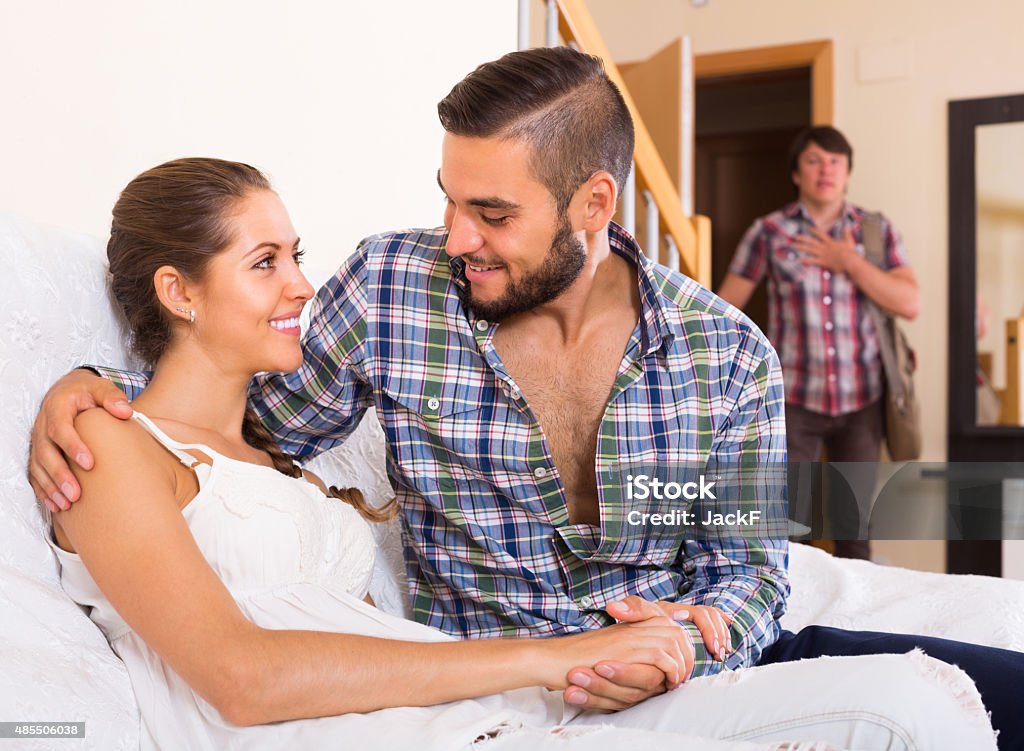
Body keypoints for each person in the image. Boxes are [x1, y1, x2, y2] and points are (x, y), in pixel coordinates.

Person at [29, 49, 1014, 748]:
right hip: (482, 692)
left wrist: (679, 654)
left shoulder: (727, 354)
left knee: (972, 695)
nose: (455, 235)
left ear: (592, 206)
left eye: (491, 213)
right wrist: (95, 390)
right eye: (448, 198)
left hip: (666, 672)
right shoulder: (388, 291)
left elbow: (746, 571)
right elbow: (244, 425)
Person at [717, 126, 920, 560]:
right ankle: (791, 618)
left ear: (847, 174)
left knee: (854, 528)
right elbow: (724, 309)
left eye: (835, 161)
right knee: (789, 526)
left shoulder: (875, 231)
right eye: (813, 160)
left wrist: (848, 261)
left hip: (862, 399)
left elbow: (910, 302)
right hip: (793, 400)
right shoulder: (769, 231)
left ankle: (854, 625)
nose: (825, 169)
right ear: (797, 173)